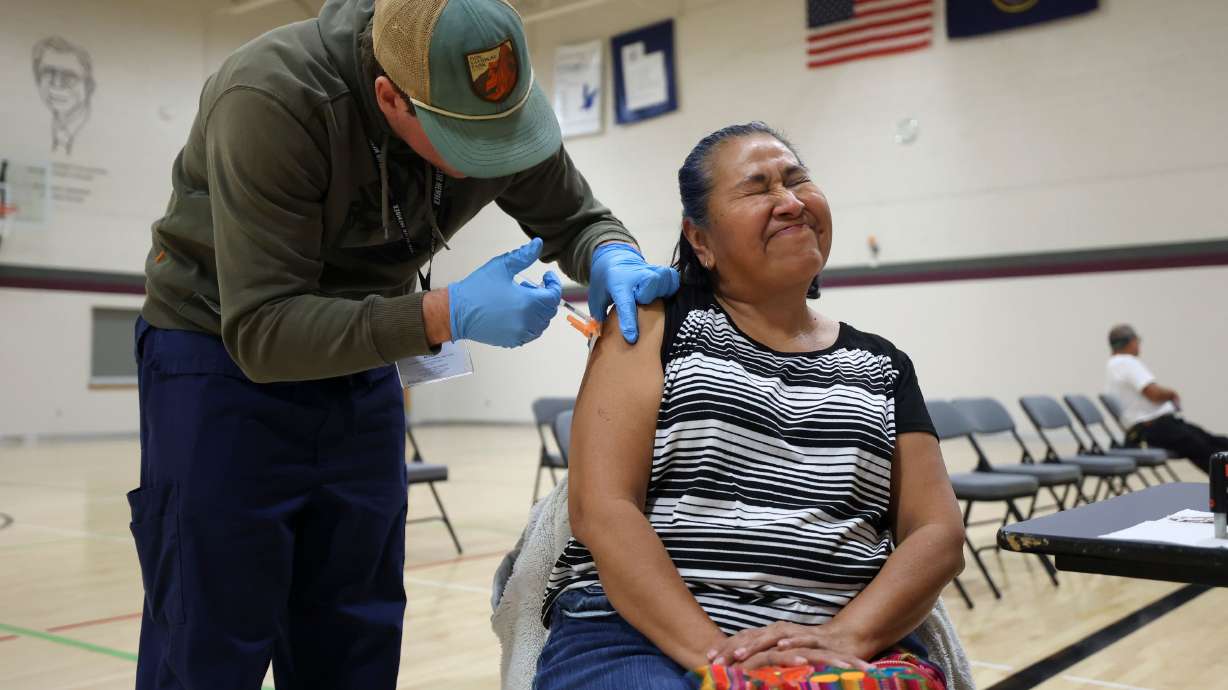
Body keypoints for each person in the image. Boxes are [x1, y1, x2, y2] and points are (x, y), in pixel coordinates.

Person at [129, 0, 678, 688]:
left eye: (505, 133)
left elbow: (575, 216)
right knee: (210, 628)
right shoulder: (272, 99)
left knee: (355, 625)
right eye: (469, 142)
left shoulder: (491, 99)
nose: (493, 158)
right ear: (391, 98)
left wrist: (610, 253)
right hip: (218, 353)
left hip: (362, 359)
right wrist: (444, 314)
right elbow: (262, 330)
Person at [534, 123, 965, 690]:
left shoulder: (883, 365)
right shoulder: (653, 323)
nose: (790, 202)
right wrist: (720, 660)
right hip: (637, 633)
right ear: (701, 240)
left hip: (837, 633)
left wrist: (847, 636)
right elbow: (603, 507)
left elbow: (937, 530)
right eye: (758, 188)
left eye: (797, 180)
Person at [1106, 324, 1226, 474]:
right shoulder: (1126, 362)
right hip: (1153, 428)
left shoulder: (1113, 364)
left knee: (1212, 442)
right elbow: (1153, 394)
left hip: (1152, 427)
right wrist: (1172, 393)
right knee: (1208, 450)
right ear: (1131, 341)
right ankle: (1222, 482)